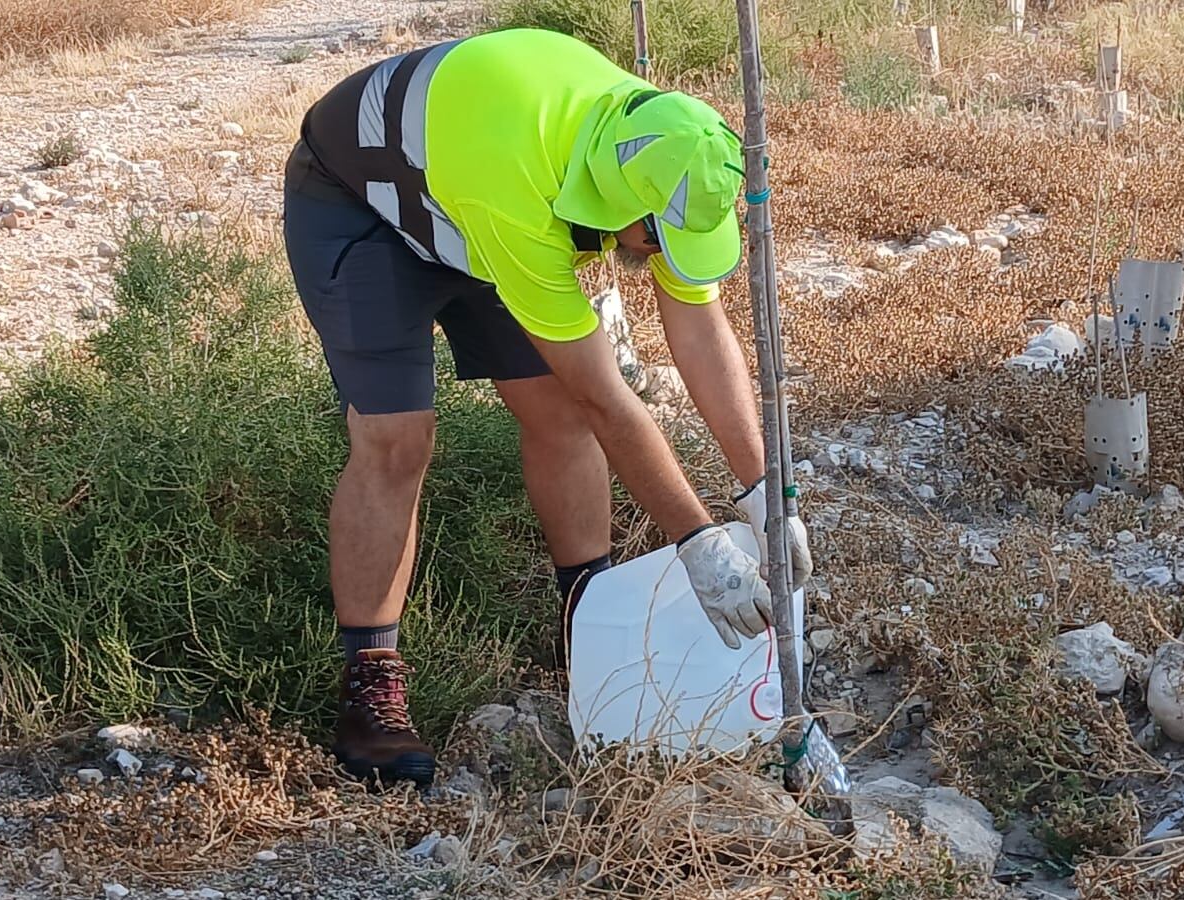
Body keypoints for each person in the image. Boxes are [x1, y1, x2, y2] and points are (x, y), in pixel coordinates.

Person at [281, 27, 814, 786]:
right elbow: (608, 399)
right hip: (363, 203)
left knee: (555, 413)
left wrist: (767, 492)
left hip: (473, 194)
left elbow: (698, 326)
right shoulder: (521, 186)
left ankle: (584, 625)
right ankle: (370, 683)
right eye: (653, 241)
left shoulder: (673, 154)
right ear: (618, 200)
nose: (659, 258)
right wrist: (697, 540)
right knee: (398, 437)